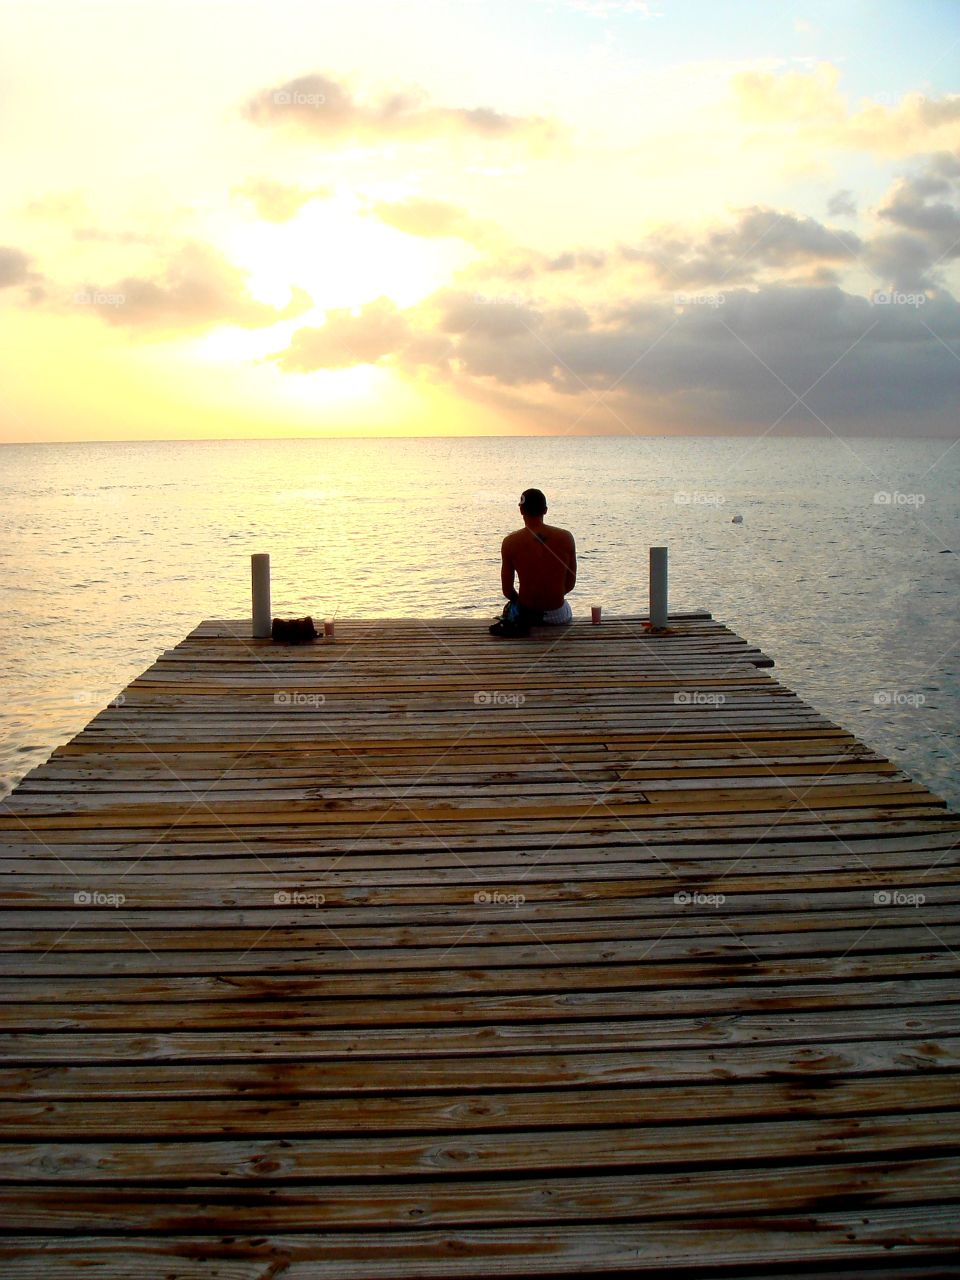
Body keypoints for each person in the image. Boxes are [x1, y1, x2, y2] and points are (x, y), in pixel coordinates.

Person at [490, 488, 576, 636]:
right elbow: (570, 584)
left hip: (527, 615)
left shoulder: (510, 542)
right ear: (545, 510)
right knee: (566, 608)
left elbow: (507, 590)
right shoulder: (566, 537)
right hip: (557, 615)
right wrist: (551, 598)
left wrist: (526, 604)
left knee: (510, 609)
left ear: (521, 511)